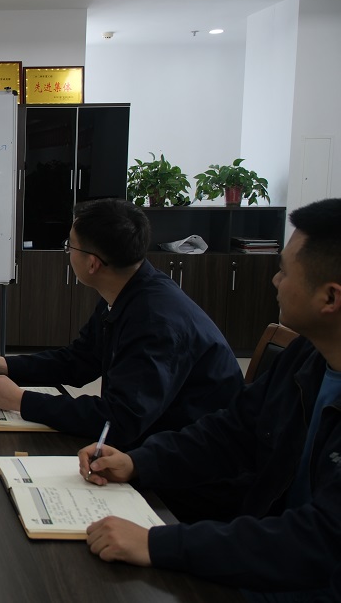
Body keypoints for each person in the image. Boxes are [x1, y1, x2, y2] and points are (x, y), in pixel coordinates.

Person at [79, 198, 341, 600]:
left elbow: (318, 541)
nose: (275, 281)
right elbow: (231, 431)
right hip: (259, 552)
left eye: (285, 272)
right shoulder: (308, 355)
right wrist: (137, 462)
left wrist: (156, 543)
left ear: (330, 298)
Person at [0, 199, 243, 521]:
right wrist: (6, 365)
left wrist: (21, 401)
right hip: (153, 442)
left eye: (70, 245)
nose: (67, 252)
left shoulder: (156, 321)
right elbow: (80, 359)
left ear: (93, 263)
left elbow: (120, 420)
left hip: (189, 478)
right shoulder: (127, 289)